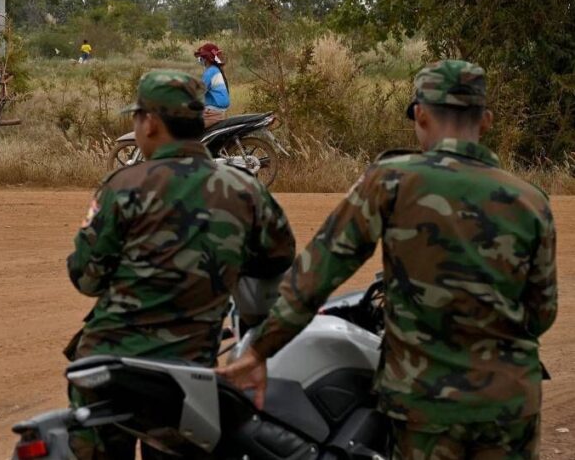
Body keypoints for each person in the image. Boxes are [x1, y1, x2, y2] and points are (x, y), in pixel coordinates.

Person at [216, 60, 557, 459]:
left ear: (421, 114)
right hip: (511, 404)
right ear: (486, 121)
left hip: (425, 405)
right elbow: (542, 312)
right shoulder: (531, 200)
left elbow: (316, 275)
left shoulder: (392, 181)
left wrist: (259, 353)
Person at [66, 69, 297, 459]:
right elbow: (277, 260)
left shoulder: (122, 186)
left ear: (151, 123)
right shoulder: (245, 190)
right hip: (189, 376)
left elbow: (85, 278)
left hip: (109, 369)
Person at [195, 43, 229, 127]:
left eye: (201, 57)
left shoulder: (210, 72)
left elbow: (199, 92)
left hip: (212, 113)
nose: (200, 59)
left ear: (206, 58)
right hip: (219, 112)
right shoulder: (216, 70)